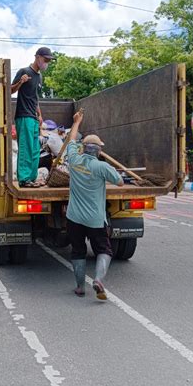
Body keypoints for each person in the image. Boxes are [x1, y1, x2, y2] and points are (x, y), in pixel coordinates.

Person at [66, 111, 124, 300]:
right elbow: (120, 182)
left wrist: (76, 122)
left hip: (74, 217)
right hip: (95, 220)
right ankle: (98, 280)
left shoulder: (74, 160)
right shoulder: (102, 167)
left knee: (78, 251)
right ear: (99, 151)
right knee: (104, 250)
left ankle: (80, 287)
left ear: (83, 149)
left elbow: (71, 140)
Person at [11, 46, 54, 187]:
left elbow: (35, 98)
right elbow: (10, 90)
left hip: (34, 117)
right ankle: (24, 179)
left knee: (35, 149)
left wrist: (40, 115)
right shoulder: (24, 71)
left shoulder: (39, 76)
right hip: (23, 116)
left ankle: (32, 178)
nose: (47, 63)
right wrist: (20, 82)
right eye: (45, 59)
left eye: (49, 60)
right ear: (37, 57)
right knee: (26, 148)